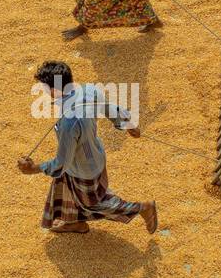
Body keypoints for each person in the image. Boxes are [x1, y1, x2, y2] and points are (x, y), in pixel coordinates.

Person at [18, 61, 158, 234]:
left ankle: (141, 208)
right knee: (67, 189)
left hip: (84, 170)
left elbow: (62, 164)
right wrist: (128, 125)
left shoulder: (69, 123)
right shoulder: (88, 90)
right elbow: (110, 108)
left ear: (54, 90)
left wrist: (34, 168)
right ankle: (74, 223)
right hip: (92, 156)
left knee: (93, 203)